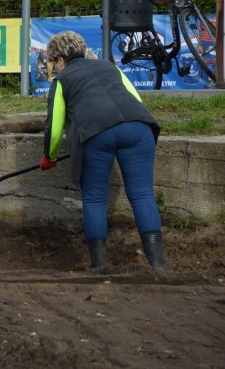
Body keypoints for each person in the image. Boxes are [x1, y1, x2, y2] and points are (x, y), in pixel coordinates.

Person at [40, 31, 166, 271]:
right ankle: (158, 264)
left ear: (61, 60)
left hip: (96, 135)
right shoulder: (110, 68)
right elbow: (135, 98)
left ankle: (99, 265)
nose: (54, 69)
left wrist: (50, 157)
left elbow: (54, 127)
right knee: (142, 195)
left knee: (95, 198)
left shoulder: (62, 81)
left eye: (53, 63)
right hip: (139, 128)